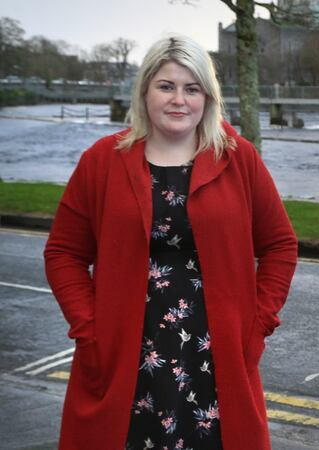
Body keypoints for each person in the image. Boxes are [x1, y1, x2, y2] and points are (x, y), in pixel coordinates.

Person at [44, 34, 298, 450]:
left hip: (215, 354)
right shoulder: (102, 160)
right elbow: (64, 253)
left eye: (191, 88)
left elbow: (280, 246)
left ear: (207, 97)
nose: (179, 100)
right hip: (123, 351)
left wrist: (257, 325)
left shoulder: (239, 158)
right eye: (166, 86)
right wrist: (89, 328)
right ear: (145, 91)